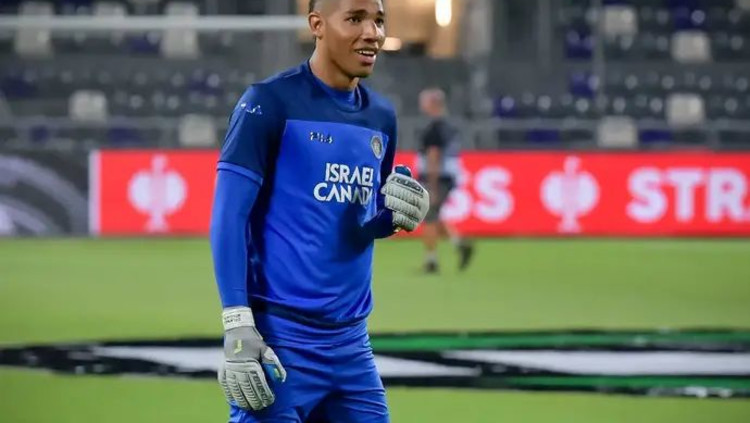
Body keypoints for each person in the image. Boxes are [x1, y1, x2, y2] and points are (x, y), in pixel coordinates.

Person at [209, 0, 430, 422]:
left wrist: (395, 216)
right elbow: (228, 217)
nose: (372, 33)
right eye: (355, 19)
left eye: (378, 20)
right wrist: (237, 324)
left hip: (352, 346)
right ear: (317, 25)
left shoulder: (381, 116)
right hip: (279, 341)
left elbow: (360, 221)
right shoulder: (268, 102)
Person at [417, 88, 474, 274]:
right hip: (446, 176)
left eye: (425, 101)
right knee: (434, 216)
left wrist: (432, 186)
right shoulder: (447, 126)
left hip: (437, 178)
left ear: (433, 104)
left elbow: (434, 156)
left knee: (429, 217)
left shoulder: (434, 128)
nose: (421, 105)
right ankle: (460, 244)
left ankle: (431, 261)